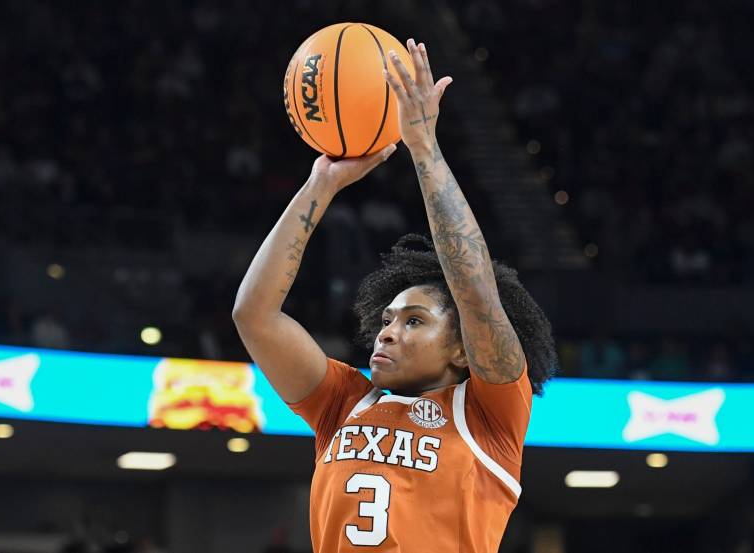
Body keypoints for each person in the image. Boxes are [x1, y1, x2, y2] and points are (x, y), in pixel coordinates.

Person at [233, 38, 558, 552]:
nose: (386, 330)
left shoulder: (490, 415)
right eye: (387, 318)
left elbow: (474, 292)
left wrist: (425, 150)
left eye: (413, 321)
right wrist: (320, 185)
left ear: (461, 348)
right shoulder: (344, 403)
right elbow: (254, 316)